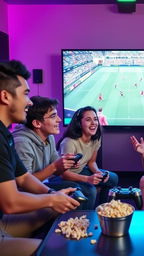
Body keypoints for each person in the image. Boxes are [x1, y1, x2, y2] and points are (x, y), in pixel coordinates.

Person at [0, 60, 79, 256]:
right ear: (5, 96)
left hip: (4, 221)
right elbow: (10, 202)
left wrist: (53, 193)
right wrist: (52, 198)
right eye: (26, 94)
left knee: (63, 208)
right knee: (55, 251)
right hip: (5, 220)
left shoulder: (5, 134)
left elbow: (24, 177)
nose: (29, 101)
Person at [12, 96, 88, 208]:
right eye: (53, 116)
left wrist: (64, 164)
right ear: (37, 123)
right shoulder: (21, 143)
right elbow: (22, 184)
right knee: (78, 191)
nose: (59, 119)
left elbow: (56, 169)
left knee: (81, 189)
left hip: (43, 184)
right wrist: (55, 167)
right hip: (25, 195)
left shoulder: (49, 137)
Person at [57, 106, 118, 209]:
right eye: (88, 120)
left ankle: (103, 209)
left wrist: (98, 172)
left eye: (95, 119)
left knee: (113, 178)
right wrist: (88, 179)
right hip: (64, 176)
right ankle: (85, 219)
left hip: (81, 170)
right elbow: (63, 174)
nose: (93, 123)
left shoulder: (96, 138)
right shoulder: (69, 142)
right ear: (79, 123)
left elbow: (91, 162)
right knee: (91, 190)